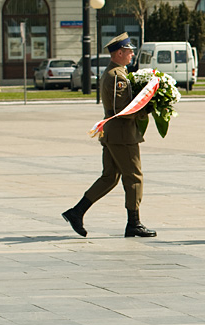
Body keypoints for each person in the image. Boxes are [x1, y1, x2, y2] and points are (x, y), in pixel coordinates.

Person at [62, 32, 157, 238]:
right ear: (119, 52)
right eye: (129, 51)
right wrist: (149, 107)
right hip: (122, 135)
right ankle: (134, 223)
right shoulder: (116, 77)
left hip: (114, 134)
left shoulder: (117, 73)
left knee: (110, 177)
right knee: (134, 177)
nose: (132, 54)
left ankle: (76, 212)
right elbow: (121, 109)